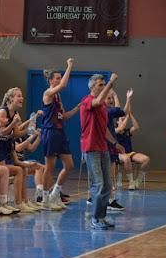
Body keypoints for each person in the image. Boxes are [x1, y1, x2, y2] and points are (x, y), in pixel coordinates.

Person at [80, 73, 124, 230]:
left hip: (103, 148)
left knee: (107, 185)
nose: (104, 86)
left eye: (104, 84)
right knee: (98, 184)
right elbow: (97, 101)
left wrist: (114, 143)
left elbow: (104, 128)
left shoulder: (104, 107)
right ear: (92, 87)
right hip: (91, 148)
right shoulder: (87, 102)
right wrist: (111, 83)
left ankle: (102, 216)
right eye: (101, 84)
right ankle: (95, 219)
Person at [41, 58, 81, 210]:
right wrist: (69, 66)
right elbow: (64, 85)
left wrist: (78, 108)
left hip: (59, 132)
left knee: (69, 165)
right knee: (49, 167)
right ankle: (45, 198)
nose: (59, 80)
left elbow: (64, 116)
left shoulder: (58, 98)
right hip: (49, 132)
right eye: (57, 78)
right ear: (51, 81)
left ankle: (55, 194)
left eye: (59, 77)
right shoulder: (48, 94)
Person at [116, 111, 151, 190]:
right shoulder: (115, 130)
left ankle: (138, 181)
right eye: (121, 119)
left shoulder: (127, 131)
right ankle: (131, 182)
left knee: (146, 159)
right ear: (117, 121)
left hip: (130, 153)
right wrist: (125, 117)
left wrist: (130, 114)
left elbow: (136, 127)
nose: (123, 120)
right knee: (126, 158)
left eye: (124, 119)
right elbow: (121, 127)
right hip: (118, 154)